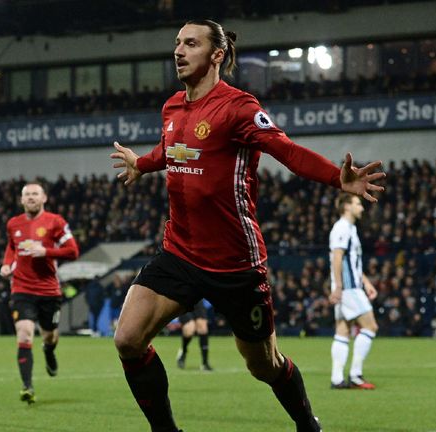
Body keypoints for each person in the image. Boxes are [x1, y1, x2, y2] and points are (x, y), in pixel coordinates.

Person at [110, 19, 385, 432]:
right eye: (177, 43)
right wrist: (143, 164)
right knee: (127, 339)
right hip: (180, 252)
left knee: (263, 365)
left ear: (216, 54)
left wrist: (336, 177)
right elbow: (173, 149)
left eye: (191, 44)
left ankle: (307, 423)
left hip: (235, 263)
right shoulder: (172, 107)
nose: (178, 51)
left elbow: (286, 150)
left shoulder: (239, 107)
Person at [0, 183, 80, 404]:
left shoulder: (56, 222)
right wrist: (7, 265)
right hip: (21, 288)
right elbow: (11, 248)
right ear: (21, 200)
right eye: (27, 195)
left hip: (49, 290)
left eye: (35, 194)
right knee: (24, 333)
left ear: (44, 197)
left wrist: (46, 251)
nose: (31, 197)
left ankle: (49, 350)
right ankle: (27, 387)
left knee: (49, 335)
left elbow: (73, 251)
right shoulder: (13, 224)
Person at [328, 193, 379, 390]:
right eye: (358, 203)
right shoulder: (342, 228)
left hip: (350, 286)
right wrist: (339, 287)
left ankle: (337, 378)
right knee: (370, 326)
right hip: (348, 288)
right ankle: (356, 375)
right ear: (347, 207)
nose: (362, 207)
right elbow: (337, 257)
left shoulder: (350, 228)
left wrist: (366, 282)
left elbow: (352, 262)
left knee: (343, 330)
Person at [175, 300, 212, 371]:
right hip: (183, 299)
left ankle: (205, 363)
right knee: (189, 330)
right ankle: (183, 351)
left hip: (197, 299)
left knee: (203, 328)